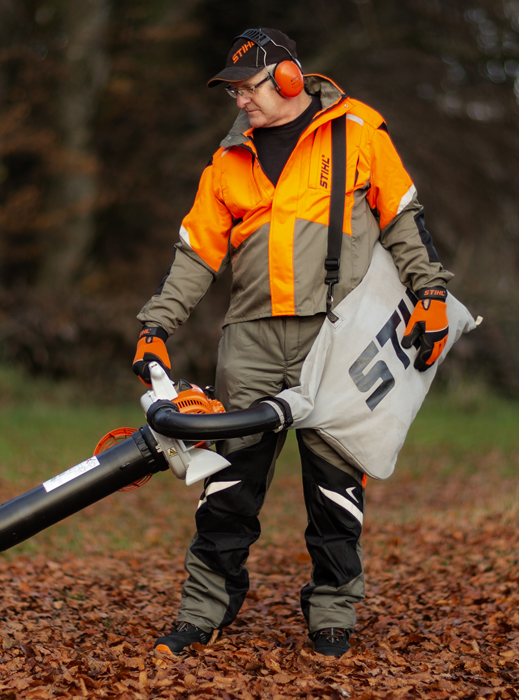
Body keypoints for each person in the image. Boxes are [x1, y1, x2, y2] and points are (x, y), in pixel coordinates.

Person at [131, 28, 453, 658]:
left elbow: (403, 220)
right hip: (249, 342)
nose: (241, 101)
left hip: (337, 339)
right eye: (234, 91)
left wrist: (432, 296)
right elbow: (196, 254)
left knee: (335, 488)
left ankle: (333, 611)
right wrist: (156, 326)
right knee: (227, 485)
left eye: (250, 87)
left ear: (287, 77)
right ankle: (204, 610)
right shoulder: (230, 159)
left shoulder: (358, 130)